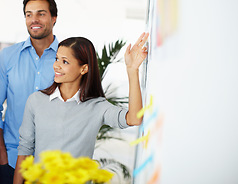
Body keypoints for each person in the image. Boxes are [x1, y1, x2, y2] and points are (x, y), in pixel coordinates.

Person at [13, 33, 149, 184]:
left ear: (83, 69)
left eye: (65, 61)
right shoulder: (36, 101)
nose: (56, 65)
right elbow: (24, 151)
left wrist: (132, 70)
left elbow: (134, 119)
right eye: (57, 58)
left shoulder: (97, 106)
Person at [0, 0, 59, 184]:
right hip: (10, 160)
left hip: (53, 163)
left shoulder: (67, 59)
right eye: (29, 14)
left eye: (41, 13)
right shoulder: (7, 57)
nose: (34, 19)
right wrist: (1, 156)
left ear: (54, 18)